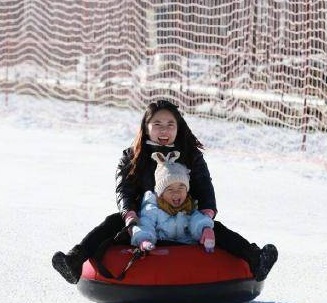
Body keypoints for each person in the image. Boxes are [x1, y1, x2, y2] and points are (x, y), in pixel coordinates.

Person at [52, 100, 277, 284]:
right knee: (110, 224)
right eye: (157, 124)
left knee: (217, 230)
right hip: (145, 219)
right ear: (146, 127)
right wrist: (129, 215)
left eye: (170, 124)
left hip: (183, 215)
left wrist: (206, 216)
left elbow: (204, 186)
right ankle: (75, 261)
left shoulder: (190, 155)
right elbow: (124, 188)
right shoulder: (132, 156)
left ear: (178, 128)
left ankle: (256, 259)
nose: (164, 130)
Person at [131, 150, 216, 253]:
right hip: (160, 246)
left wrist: (205, 229)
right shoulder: (153, 207)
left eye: (181, 188)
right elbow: (146, 223)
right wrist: (144, 240)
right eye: (170, 189)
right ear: (160, 194)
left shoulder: (189, 206)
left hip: (185, 249)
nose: (176, 193)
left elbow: (197, 220)